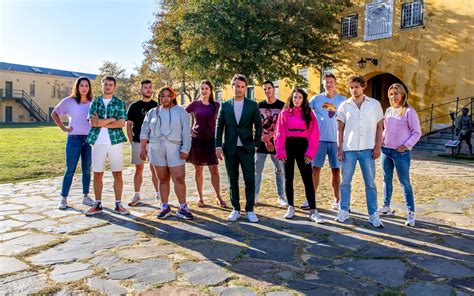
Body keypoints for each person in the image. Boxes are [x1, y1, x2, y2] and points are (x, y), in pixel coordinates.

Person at [335, 74, 384, 228]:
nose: (354, 90)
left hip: (367, 150)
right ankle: (343, 210)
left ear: (363, 87)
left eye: (356, 87)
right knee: (345, 182)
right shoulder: (344, 106)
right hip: (349, 149)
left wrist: (378, 146)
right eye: (351, 87)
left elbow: (379, 127)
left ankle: (373, 214)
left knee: (370, 183)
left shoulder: (374, 105)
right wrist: (340, 147)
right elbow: (340, 129)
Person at [140, 86, 193, 220]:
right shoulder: (152, 112)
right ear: (159, 97)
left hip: (175, 147)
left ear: (173, 97)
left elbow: (186, 132)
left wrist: (185, 149)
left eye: (168, 95)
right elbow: (145, 130)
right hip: (156, 148)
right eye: (162, 96)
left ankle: (182, 207)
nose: (165, 98)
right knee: (162, 178)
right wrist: (142, 148)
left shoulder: (181, 112)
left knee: (179, 178)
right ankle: (164, 206)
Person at [215, 74, 262, 223]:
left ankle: (250, 210)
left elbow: (258, 126)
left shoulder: (252, 105)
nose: (240, 89)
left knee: (249, 179)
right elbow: (219, 126)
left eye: (242, 87)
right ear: (232, 86)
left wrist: (256, 144)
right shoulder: (225, 105)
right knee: (232, 179)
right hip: (230, 148)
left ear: (245, 88)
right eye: (237, 86)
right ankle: (235, 209)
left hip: (247, 148)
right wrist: (217, 145)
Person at [274, 88, 325, 223]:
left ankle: (313, 210)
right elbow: (279, 132)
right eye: (295, 97)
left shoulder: (309, 114)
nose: (297, 100)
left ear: (304, 100)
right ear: (291, 98)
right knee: (288, 177)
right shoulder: (284, 113)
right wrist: (280, 151)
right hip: (288, 146)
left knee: (307, 178)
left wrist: (310, 152)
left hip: (303, 146)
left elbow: (314, 134)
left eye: (300, 98)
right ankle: (290, 206)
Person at [84, 76, 129, 216]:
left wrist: (101, 121)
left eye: (111, 84)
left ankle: (118, 204)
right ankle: (97, 204)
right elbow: (93, 123)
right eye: (106, 84)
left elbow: (121, 123)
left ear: (114, 87)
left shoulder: (119, 103)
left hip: (115, 142)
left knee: (117, 174)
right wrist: (110, 119)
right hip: (98, 142)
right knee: (97, 174)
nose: (108, 87)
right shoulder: (95, 103)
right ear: (101, 86)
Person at [378, 83, 421, 227]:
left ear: (402, 94)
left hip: (400, 153)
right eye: (391, 94)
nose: (393, 96)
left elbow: (416, 133)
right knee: (386, 180)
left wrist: (406, 146)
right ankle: (386, 206)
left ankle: (410, 212)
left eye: (396, 93)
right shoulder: (389, 111)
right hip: (386, 151)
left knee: (405, 183)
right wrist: (380, 142)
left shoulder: (409, 112)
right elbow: (386, 130)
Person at [301, 73, 346, 211]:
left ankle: (337, 200)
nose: (329, 84)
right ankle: (310, 198)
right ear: (323, 83)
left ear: (335, 83)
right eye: (326, 82)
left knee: (336, 171)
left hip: (336, 141)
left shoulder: (342, 100)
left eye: (331, 81)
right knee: (315, 169)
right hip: (319, 140)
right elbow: (304, 111)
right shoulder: (317, 99)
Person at [52, 77, 94, 210]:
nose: (84, 88)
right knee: (70, 169)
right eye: (81, 85)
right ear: (77, 87)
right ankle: (63, 198)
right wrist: (64, 128)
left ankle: (86, 197)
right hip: (74, 139)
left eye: (86, 85)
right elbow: (55, 113)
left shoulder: (92, 103)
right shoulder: (69, 101)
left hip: (88, 140)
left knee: (87, 169)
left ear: (89, 88)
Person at [185, 80, 226, 208]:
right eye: (202, 88)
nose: (203, 91)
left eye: (206, 88)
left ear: (211, 90)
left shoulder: (217, 106)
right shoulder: (194, 104)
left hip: (211, 141)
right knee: (198, 169)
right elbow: (181, 114)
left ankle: (218, 196)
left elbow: (223, 122)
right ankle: (200, 197)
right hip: (196, 140)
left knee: (214, 169)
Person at [126, 80, 160, 206]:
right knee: (138, 169)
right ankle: (136, 195)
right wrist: (131, 141)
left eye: (150, 87)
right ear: (141, 90)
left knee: (155, 169)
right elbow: (128, 125)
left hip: (153, 143)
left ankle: (159, 194)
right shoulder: (134, 106)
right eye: (145, 87)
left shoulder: (157, 106)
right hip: (137, 142)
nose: (148, 89)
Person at [254, 80, 287, 206]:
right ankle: (255, 195)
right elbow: (257, 124)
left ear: (274, 89)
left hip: (277, 142)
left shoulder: (281, 105)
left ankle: (281, 196)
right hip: (262, 141)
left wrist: (270, 138)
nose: (267, 91)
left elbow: (282, 125)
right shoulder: (259, 105)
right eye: (265, 89)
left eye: (269, 88)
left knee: (279, 170)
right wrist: (264, 138)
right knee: (257, 170)